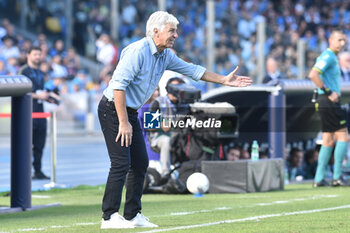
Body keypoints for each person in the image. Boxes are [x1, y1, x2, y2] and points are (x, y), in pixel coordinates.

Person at [98, 11, 252, 229]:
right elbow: (118, 86)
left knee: (140, 163)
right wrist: (124, 122)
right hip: (113, 109)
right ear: (156, 31)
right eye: (171, 30)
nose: (176, 35)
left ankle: (132, 215)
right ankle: (109, 217)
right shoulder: (137, 51)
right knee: (121, 163)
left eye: (175, 31)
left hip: (128, 111)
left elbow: (192, 70)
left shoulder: (165, 55)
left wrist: (224, 80)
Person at [309, 28, 349, 187]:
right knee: (343, 136)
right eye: (339, 40)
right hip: (328, 100)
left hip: (325, 101)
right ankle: (337, 177)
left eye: (343, 40)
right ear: (330, 41)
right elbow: (313, 75)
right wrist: (328, 91)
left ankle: (318, 179)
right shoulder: (328, 56)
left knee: (327, 140)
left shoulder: (331, 57)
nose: (342, 43)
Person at [18, 46, 50, 179]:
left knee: (39, 144)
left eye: (39, 54)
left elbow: (43, 91)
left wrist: (50, 95)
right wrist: (38, 96)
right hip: (28, 113)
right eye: (35, 54)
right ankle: (24, 172)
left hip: (40, 113)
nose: (38, 57)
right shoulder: (23, 72)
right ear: (28, 55)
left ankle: (38, 170)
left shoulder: (41, 73)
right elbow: (21, 91)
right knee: (26, 144)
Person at [148, 77, 186, 179]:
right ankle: (166, 174)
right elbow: (149, 126)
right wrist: (163, 125)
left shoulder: (185, 105)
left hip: (179, 136)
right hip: (159, 137)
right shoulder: (158, 102)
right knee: (166, 140)